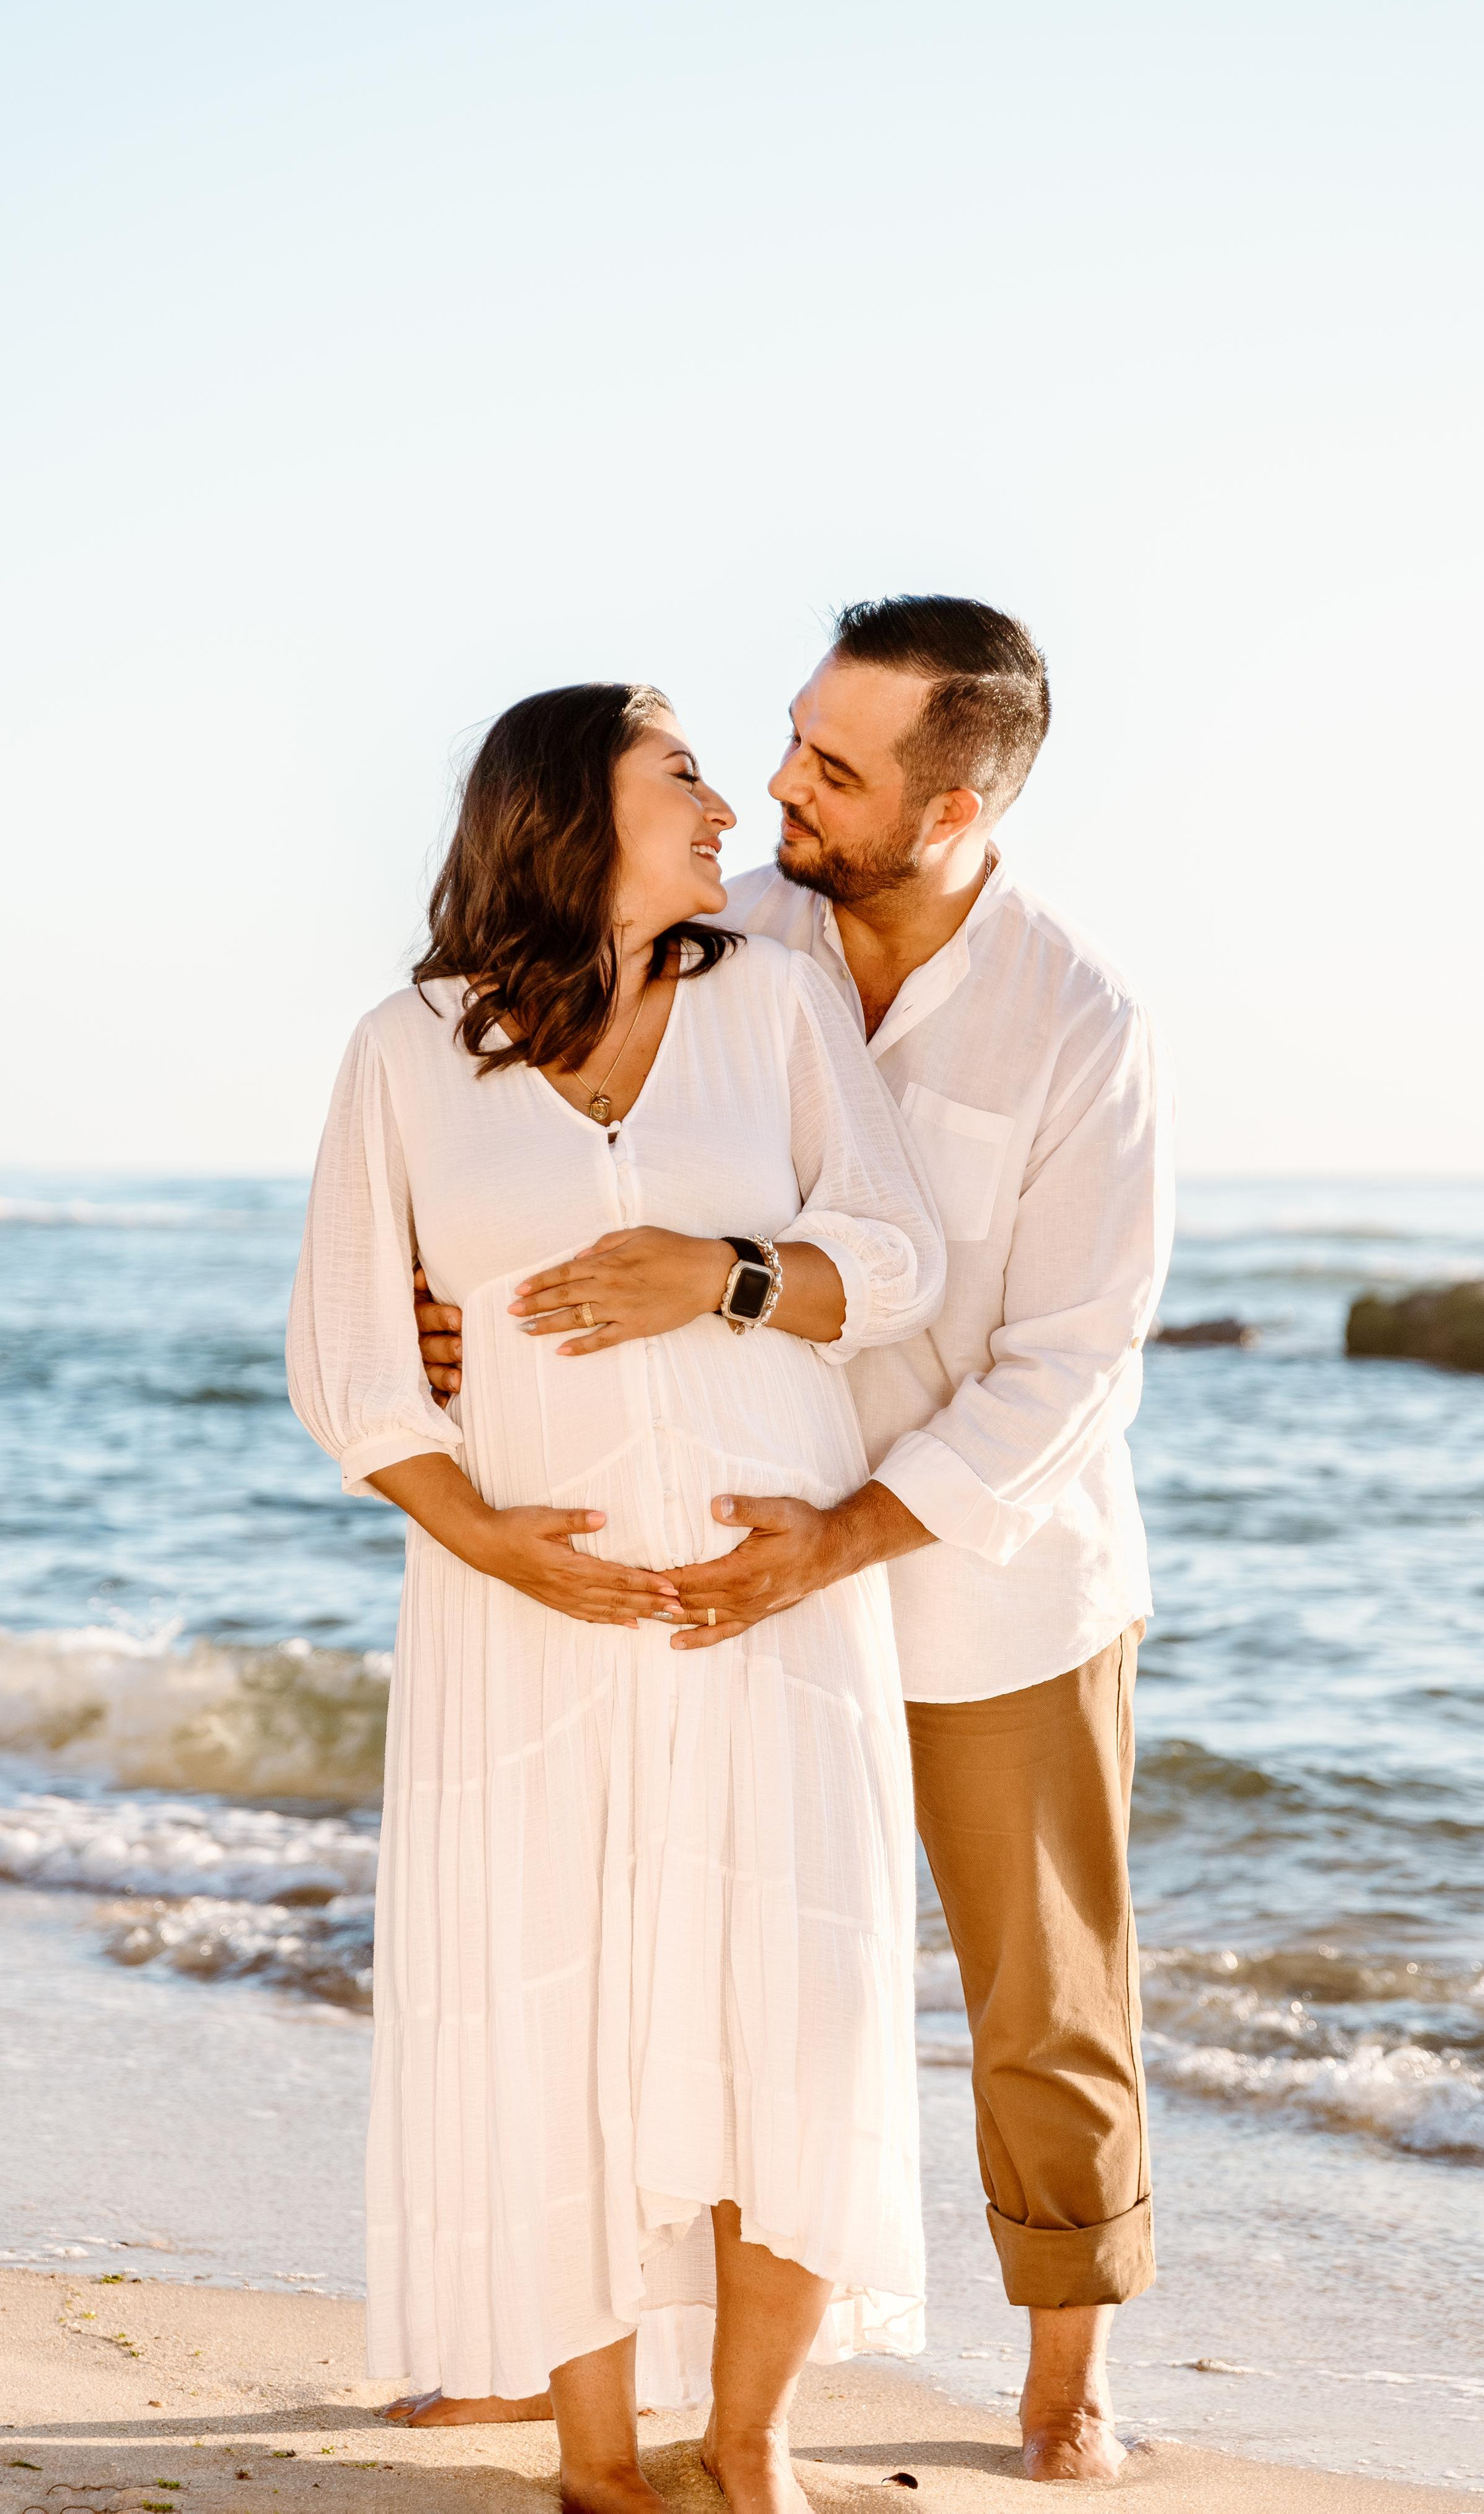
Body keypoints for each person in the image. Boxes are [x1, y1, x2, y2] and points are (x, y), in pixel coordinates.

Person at [415, 600, 1175, 2484]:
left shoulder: (1077, 1023)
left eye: (834, 768)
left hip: (986, 1574)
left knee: (1041, 1992)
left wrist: (843, 1538)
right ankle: (607, 2355)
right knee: (686, 1958)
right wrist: (451, 1317)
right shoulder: (723, 934)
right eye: (786, 740)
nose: (776, 787)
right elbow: (540, 1135)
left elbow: (1073, 1358)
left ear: (960, 798)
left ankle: (1066, 2373)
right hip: (724, 1569)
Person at [287, 682, 946, 2514]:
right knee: (546, 2003)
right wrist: (486, 1542)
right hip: (523, 1622)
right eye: (682, 776)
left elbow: (895, 1265)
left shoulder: (781, 1003)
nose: (727, 801)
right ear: (569, 809)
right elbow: (352, 1358)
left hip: (773, 1591)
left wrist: (722, 1276)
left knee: (789, 1998)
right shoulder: (408, 1049)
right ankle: (595, 2463)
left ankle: (747, 2448)